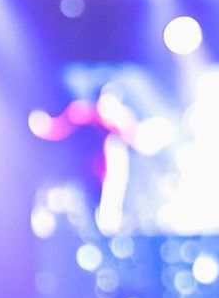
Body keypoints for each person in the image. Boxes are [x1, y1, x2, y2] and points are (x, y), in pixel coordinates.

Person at [29, 84, 144, 235]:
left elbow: (134, 140)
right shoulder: (86, 112)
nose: (108, 104)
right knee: (88, 199)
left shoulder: (121, 118)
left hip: (111, 165)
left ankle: (108, 226)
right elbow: (61, 126)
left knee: (110, 196)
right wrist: (44, 127)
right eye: (105, 99)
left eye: (112, 100)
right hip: (88, 166)